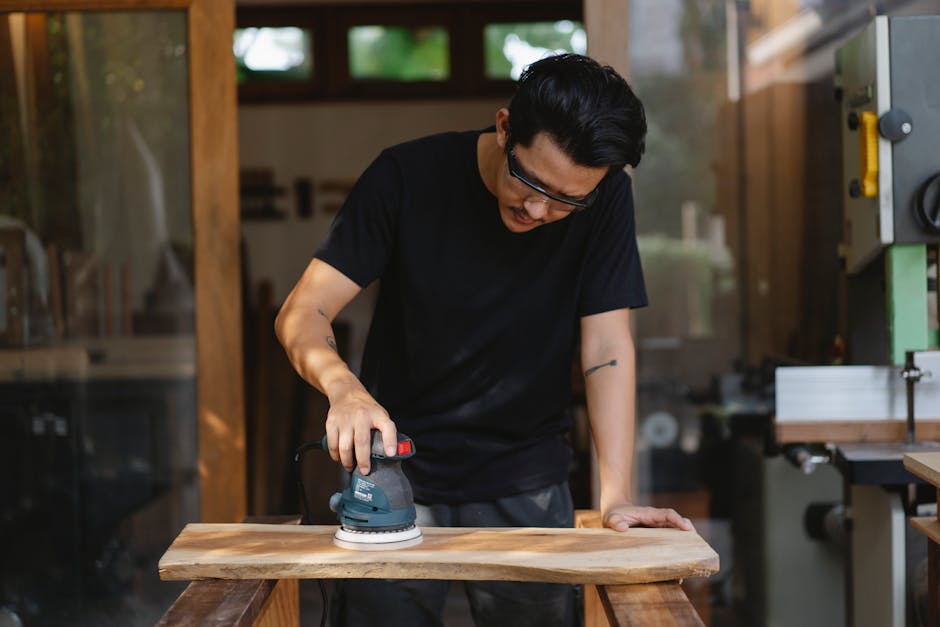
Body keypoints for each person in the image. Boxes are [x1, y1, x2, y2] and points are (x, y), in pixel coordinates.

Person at [275, 53, 693, 627]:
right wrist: (344, 390)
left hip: (527, 475)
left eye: (567, 201)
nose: (540, 209)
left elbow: (605, 347)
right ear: (503, 128)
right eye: (530, 182)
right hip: (398, 472)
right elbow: (302, 312)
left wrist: (616, 493)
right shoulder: (405, 177)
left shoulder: (605, 198)